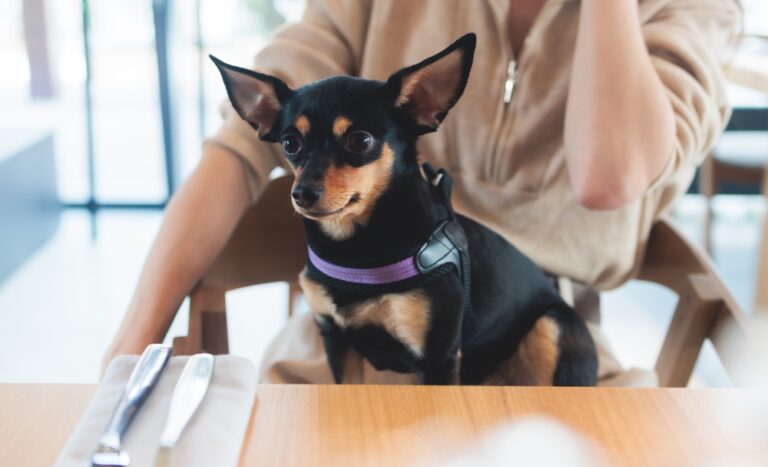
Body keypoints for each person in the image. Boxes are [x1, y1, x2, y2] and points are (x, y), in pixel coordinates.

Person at [102, 0, 741, 385]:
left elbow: (609, 178)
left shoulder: (691, 11)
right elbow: (238, 149)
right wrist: (131, 345)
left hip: (542, 330)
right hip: (348, 329)